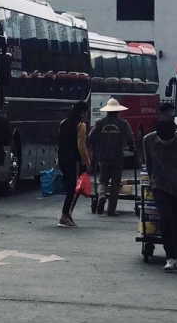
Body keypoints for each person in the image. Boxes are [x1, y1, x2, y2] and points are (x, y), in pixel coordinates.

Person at [143, 108, 177, 271]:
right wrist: (153, 180)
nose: (166, 141)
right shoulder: (148, 140)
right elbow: (148, 162)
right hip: (160, 185)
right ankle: (170, 257)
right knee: (166, 219)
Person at [89, 97, 135, 216]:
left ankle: (102, 196)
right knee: (115, 184)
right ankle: (111, 210)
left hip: (103, 155)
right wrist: (132, 148)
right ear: (118, 111)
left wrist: (95, 146)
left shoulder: (99, 123)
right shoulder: (123, 123)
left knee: (103, 180)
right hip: (117, 157)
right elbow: (130, 138)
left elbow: (91, 137)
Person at [56, 100, 91, 228]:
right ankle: (65, 216)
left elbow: (60, 143)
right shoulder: (81, 125)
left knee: (70, 187)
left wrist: (57, 160)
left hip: (62, 158)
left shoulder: (63, 123)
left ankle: (68, 215)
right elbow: (81, 146)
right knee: (73, 188)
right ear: (82, 112)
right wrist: (87, 161)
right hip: (74, 160)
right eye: (85, 112)